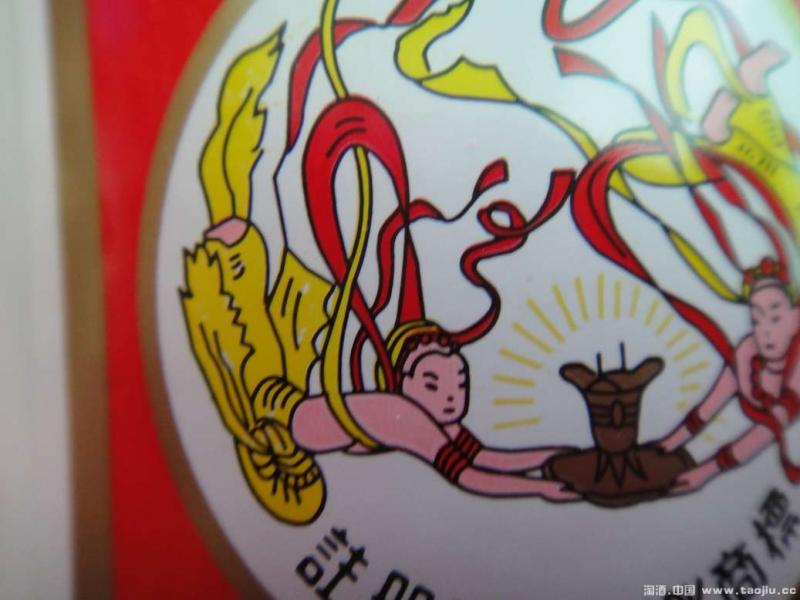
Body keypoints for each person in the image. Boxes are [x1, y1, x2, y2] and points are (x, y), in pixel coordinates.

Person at [253, 318, 579, 503]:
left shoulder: (440, 422)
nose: (451, 397)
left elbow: (485, 457)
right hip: (279, 422)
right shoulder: (402, 414)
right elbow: (466, 475)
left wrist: (551, 456)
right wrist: (539, 487)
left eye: (460, 383)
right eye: (432, 385)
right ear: (402, 382)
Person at [657, 258, 800, 493]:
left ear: (795, 318)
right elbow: (706, 409)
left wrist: (706, 471)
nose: (765, 331)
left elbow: (767, 430)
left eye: (775, 318)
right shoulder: (749, 355)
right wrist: (665, 445)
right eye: (756, 320)